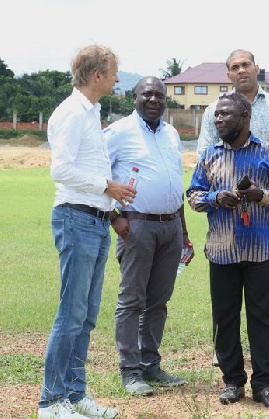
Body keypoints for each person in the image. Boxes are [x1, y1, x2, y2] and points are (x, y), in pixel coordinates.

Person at [197, 50, 269, 360]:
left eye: (246, 64)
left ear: (257, 68)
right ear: (228, 75)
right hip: (226, 211)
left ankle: (267, 345)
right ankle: (226, 351)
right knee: (225, 281)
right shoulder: (214, 111)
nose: (241, 70)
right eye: (235, 67)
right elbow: (204, 156)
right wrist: (216, 197)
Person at [39, 44, 132, 419]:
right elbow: (59, 170)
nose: (117, 78)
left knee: (87, 313)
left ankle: (75, 395)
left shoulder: (90, 112)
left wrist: (109, 196)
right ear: (97, 75)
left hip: (94, 220)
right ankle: (51, 401)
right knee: (71, 313)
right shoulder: (71, 113)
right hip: (75, 219)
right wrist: (105, 185)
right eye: (113, 72)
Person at [187, 92, 269, 408]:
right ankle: (233, 382)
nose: (218, 120)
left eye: (225, 115)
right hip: (222, 251)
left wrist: (260, 195)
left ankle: (264, 386)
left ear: (244, 118)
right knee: (225, 319)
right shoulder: (208, 156)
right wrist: (215, 199)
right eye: (216, 116)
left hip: (262, 251)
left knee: (263, 319)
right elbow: (193, 196)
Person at [104, 76, 194, 396]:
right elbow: (92, 173)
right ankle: (130, 370)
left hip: (170, 227)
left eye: (159, 95)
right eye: (147, 94)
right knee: (132, 300)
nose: (154, 99)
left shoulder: (171, 134)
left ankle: (150, 364)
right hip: (136, 226)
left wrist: (183, 232)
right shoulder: (118, 132)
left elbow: (175, 184)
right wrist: (113, 218)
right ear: (134, 97)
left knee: (158, 301)